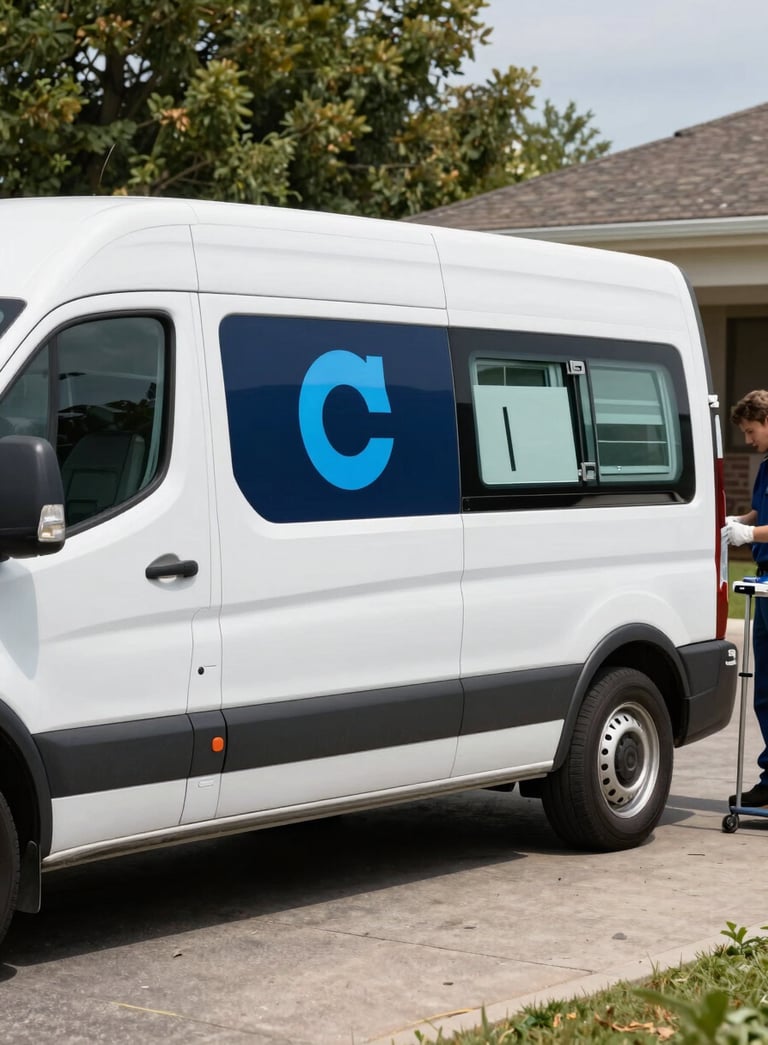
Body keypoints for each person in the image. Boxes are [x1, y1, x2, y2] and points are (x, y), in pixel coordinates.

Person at [727, 388, 768, 806]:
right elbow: (764, 511)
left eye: (752, 431)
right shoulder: (765, 467)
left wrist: (750, 535)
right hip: (764, 582)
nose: (748, 439)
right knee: (765, 690)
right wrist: (741, 520)